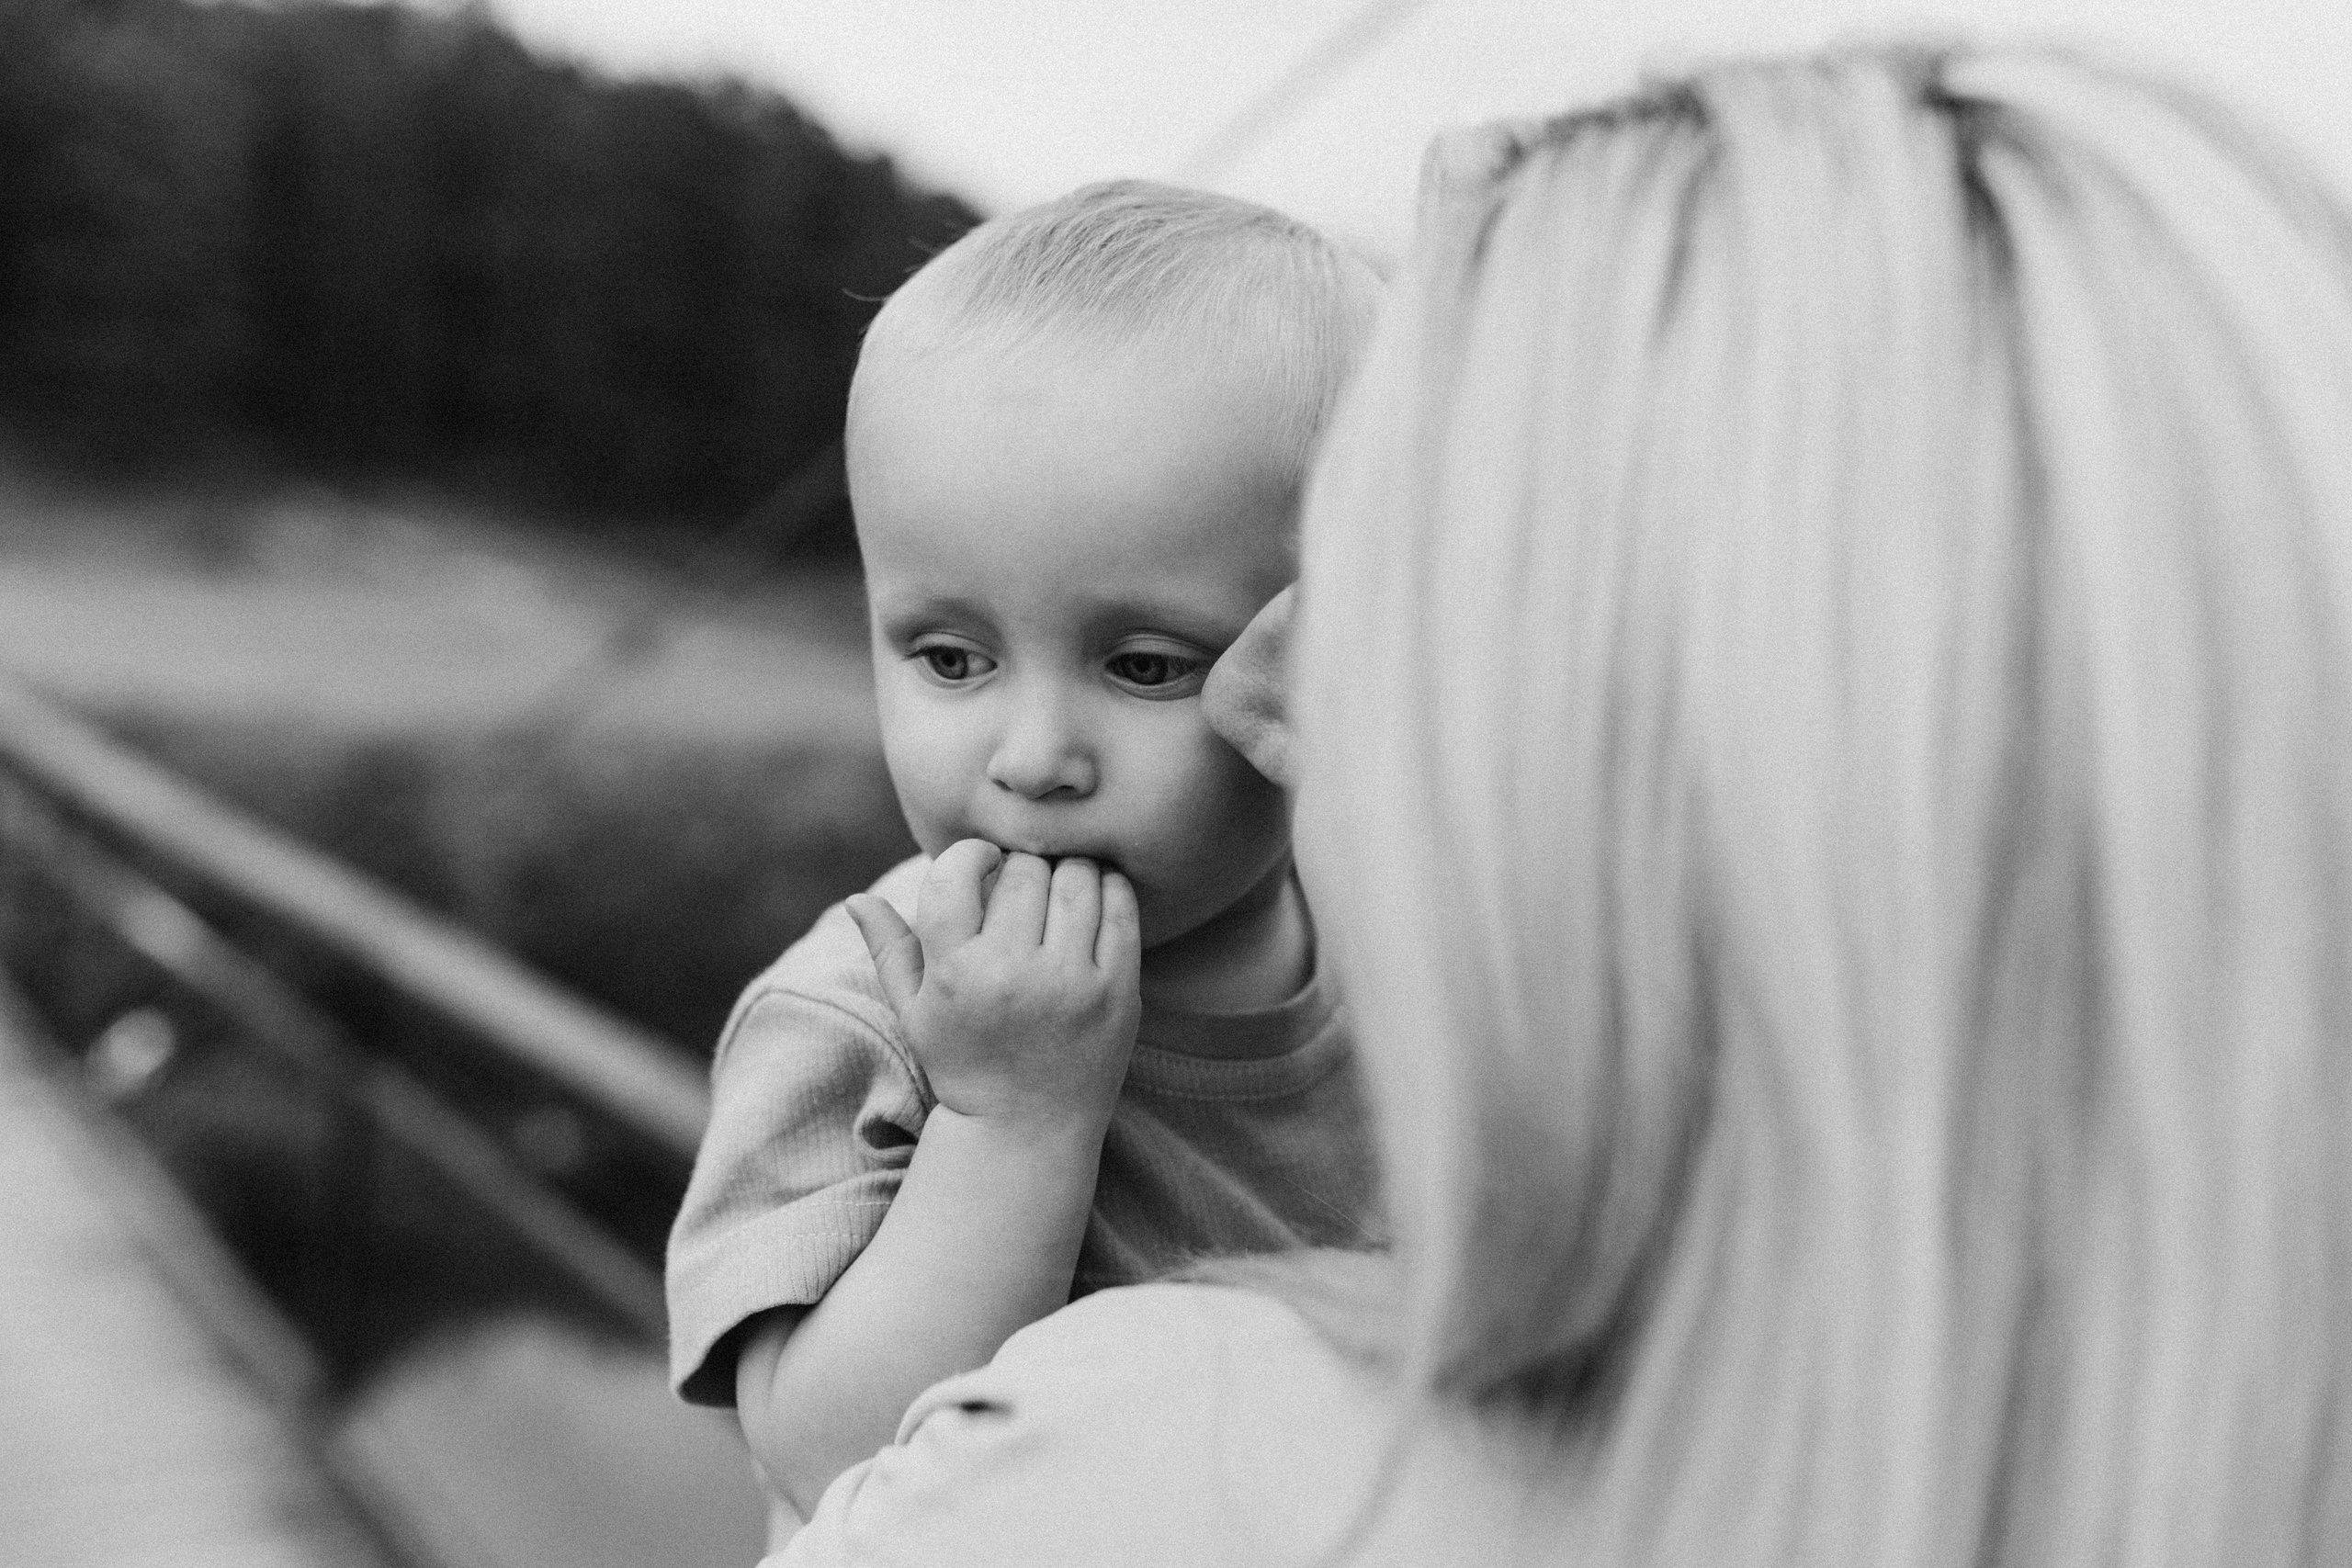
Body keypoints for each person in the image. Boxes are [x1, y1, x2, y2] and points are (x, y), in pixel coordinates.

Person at [766, 44, 2352, 1566]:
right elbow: (811, 1417)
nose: (1266, 706)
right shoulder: (2193, 1433)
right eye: (949, 652)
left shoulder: (1115, 1469)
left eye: (1160, 658)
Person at [664, 179, 1389, 1525]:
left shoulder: (1417, 966)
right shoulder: (865, 1011)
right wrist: (1012, 1120)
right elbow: (824, 1457)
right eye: (951, 657)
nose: (1034, 754)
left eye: (1145, 663)